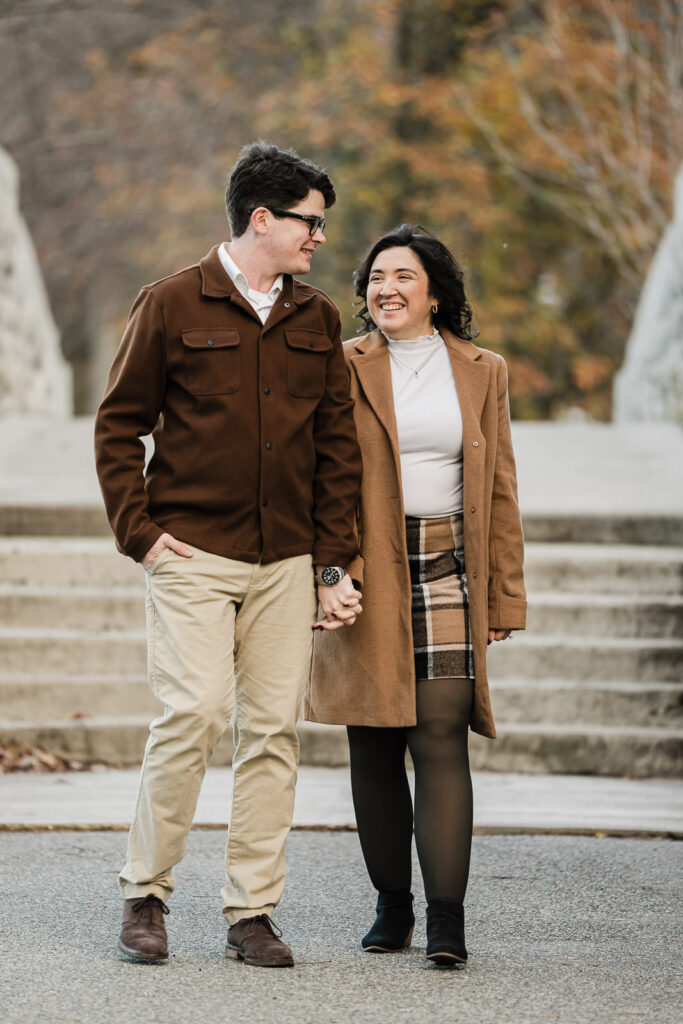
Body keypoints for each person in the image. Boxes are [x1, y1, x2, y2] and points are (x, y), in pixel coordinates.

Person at [94, 142, 363, 968]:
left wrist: (332, 563)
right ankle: (145, 893)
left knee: (273, 732)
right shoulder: (171, 302)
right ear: (262, 218)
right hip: (192, 554)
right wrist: (141, 535)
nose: (318, 236)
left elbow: (336, 448)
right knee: (195, 715)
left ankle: (252, 913)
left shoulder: (317, 319)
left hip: (285, 561)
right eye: (309, 221)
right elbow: (118, 425)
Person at [307, 224, 526, 967]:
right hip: (364, 567)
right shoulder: (342, 365)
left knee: (439, 736)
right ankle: (391, 906)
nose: (386, 289)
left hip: (448, 568)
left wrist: (504, 596)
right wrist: (328, 571)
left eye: (402, 276)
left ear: (435, 292)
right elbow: (316, 475)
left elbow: (500, 486)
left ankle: (446, 919)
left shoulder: (483, 370)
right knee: (371, 741)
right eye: (375, 277)